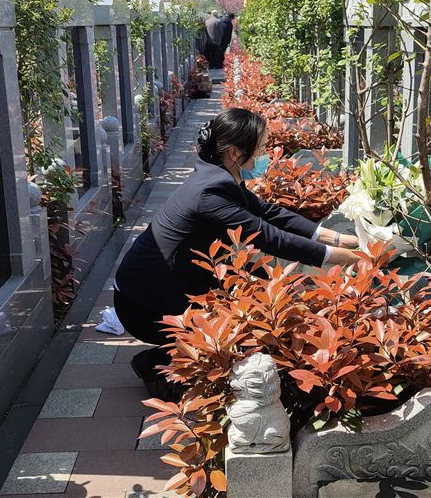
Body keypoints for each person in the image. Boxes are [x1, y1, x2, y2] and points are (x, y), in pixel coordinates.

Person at [114, 108, 362, 399]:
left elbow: (267, 212)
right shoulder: (210, 193)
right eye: (259, 148)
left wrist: (337, 237)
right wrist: (343, 257)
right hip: (143, 306)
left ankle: (173, 361)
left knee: (256, 288)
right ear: (234, 152)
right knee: (244, 324)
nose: (264, 154)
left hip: (160, 285)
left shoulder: (216, 176)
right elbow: (268, 237)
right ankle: (162, 367)